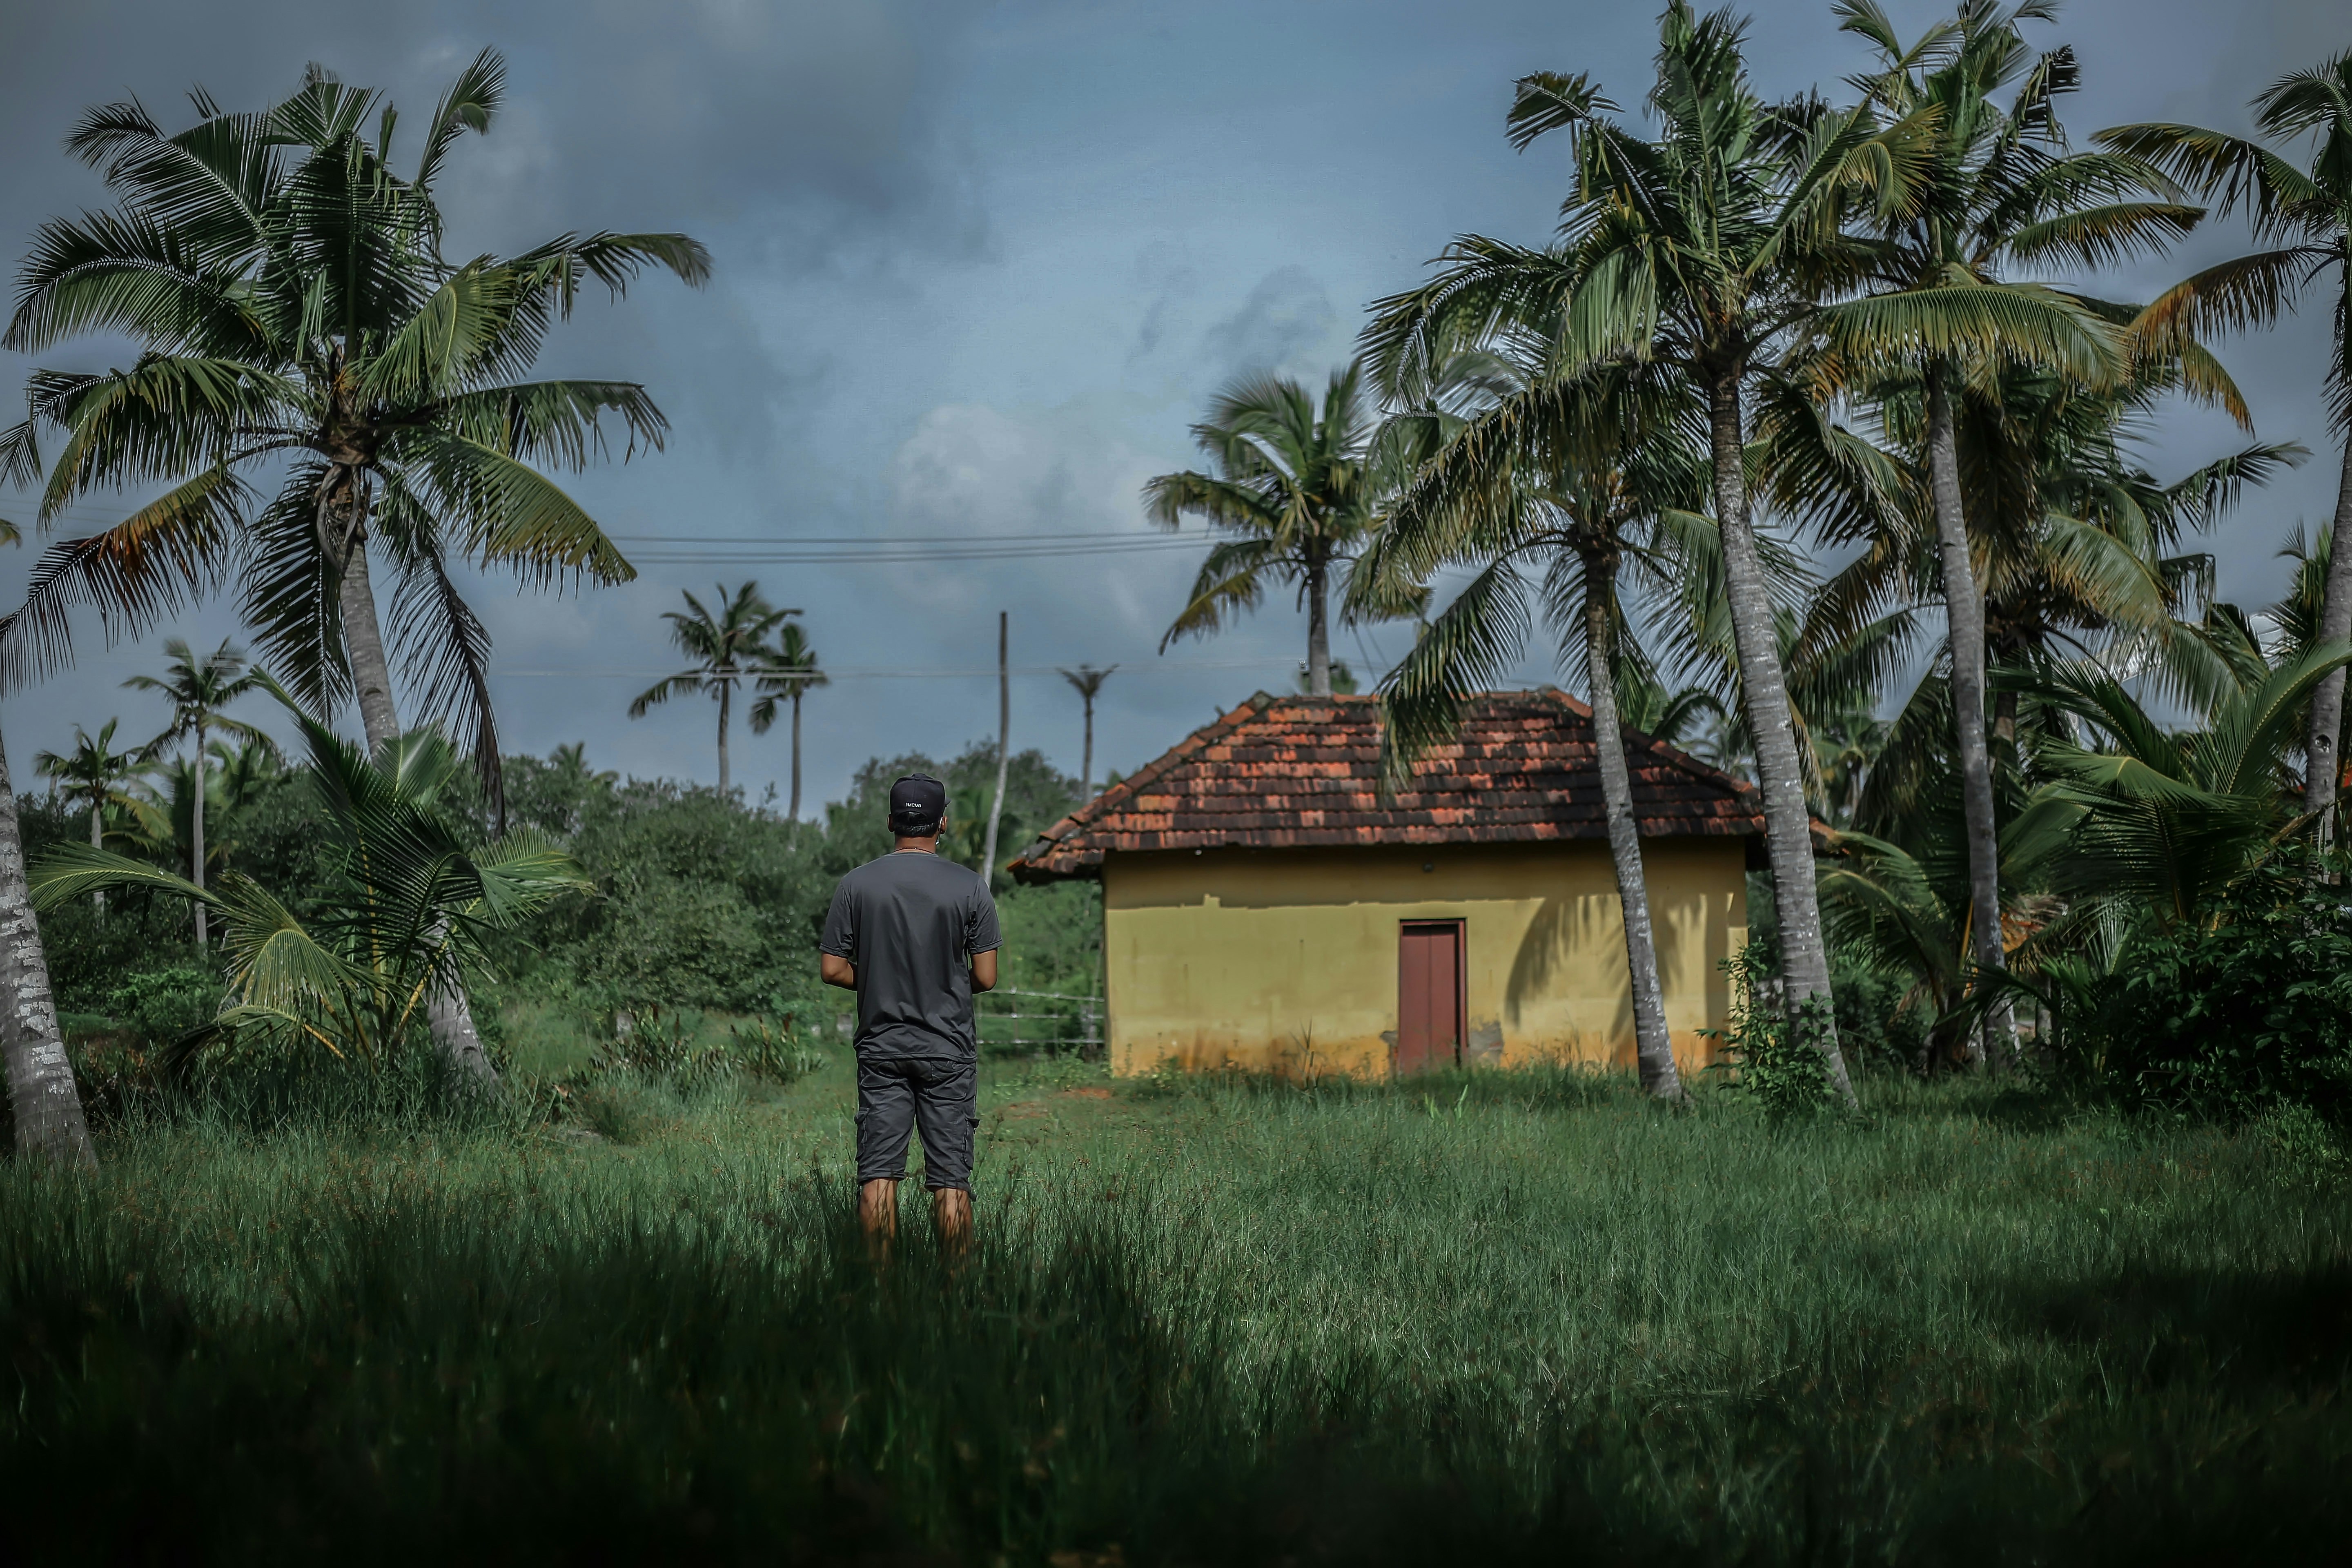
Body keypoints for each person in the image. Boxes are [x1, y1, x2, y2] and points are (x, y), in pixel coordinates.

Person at [820, 773, 1000, 1255]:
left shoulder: (856, 885)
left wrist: (880, 978)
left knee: (878, 1175)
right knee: (951, 1182)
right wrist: (937, 980)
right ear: (944, 824)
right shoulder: (971, 887)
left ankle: (882, 1299)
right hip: (948, 1051)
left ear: (890, 822)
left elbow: (833, 969)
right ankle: (957, 1293)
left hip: (882, 1050)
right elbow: (985, 978)